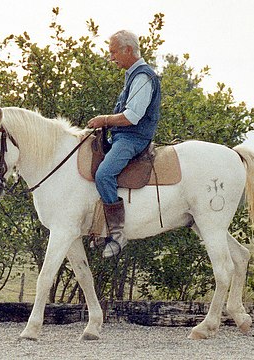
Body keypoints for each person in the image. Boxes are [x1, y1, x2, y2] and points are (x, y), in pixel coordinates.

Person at [87, 30, 161, 258]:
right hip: (121, 136)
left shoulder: (142, 76)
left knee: (104, 174)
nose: (111, 58)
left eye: (113, 52)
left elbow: (132, 117)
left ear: (128, 50)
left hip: (133, 138)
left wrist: (104, 120)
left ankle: (118, 234)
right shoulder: (132, 75)